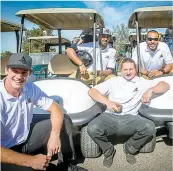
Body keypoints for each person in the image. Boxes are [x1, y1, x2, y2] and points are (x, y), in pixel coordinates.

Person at [0, 53, 87, 171]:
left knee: (65, 121)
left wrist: (54, 136)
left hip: (23, 140)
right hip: (4, 151)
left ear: (29, 74)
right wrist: (31, 161)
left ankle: (66, 165)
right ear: (6, 70)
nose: (19, 76)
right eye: (15, 71)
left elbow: (55, 108)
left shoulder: (29, 88)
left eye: (24, 72)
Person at [87, 58, 170, 168]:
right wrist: (108, 102)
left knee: (149, 127)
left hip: (131, 117)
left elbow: (165, 85)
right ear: (121, 70)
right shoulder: (113, 81)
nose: (128, 72)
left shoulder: (142, 82)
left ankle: (129, 148)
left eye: (131, 69)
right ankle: (108, 150)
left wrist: (151, 90)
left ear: (136, 69)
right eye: (125, 69)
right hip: (109, 116)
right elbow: (92, 91)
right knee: (92, 127)